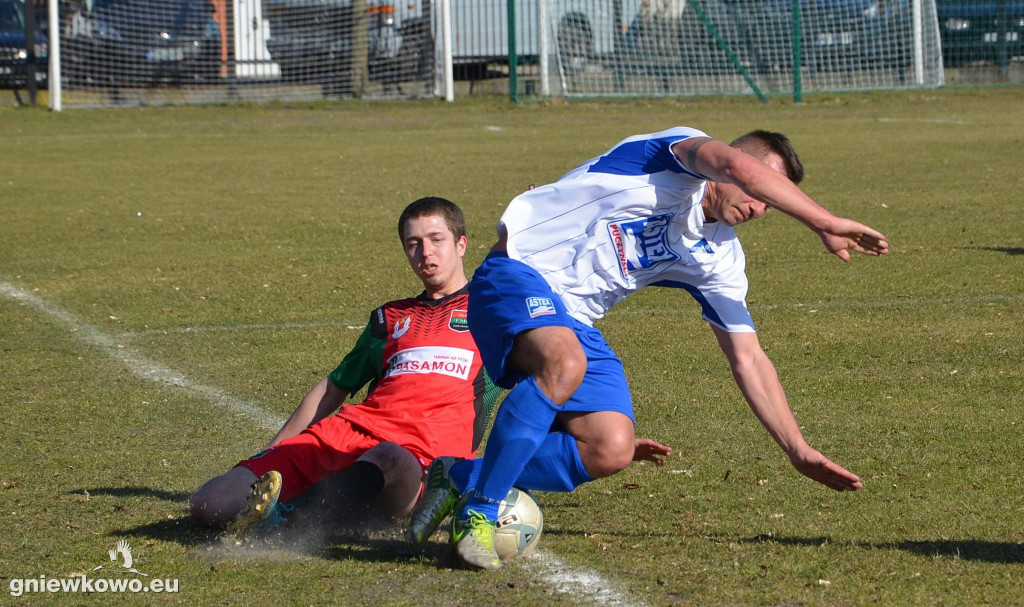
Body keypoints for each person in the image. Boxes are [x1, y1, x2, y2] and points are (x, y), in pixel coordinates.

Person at [406, 128, 889, 570]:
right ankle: (481, 512)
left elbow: (749, 358)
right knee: (564, 362)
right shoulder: (672, 154)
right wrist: (823, 221)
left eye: (771, 204)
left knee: (609, 447)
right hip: (516, 272)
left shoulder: (721, 256)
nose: (762, 209)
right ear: (737, 163)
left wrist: (796, 448)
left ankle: (460, 475)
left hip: (574, 317)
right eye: (764, 193)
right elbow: (740, 170)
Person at [190, 196, 672, 538]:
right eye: (413, 244)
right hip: (347, 433)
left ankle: (290, 521)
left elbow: (549, 375)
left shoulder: (498, 313)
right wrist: (273, 452)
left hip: (416, 462)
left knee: (389, 460)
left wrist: (600, 437)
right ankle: (287, 505)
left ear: (462, 244)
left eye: (436, 239)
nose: (425, 254)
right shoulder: (391, 317)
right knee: (209, 504)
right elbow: (332, 389)